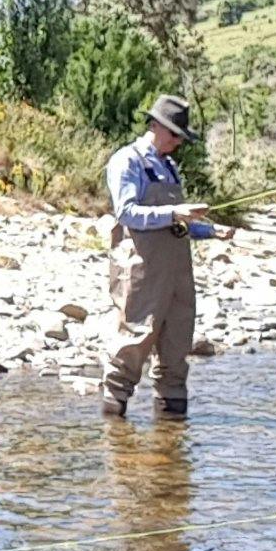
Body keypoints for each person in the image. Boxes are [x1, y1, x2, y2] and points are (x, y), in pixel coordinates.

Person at [98, 95, 235, 419]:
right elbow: (128, 213)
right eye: (174, 134)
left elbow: (177, 225)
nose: (177, 142)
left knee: (177, 346)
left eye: (181, 137)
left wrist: (210, 231)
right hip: (142, 269)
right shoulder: (127, 161)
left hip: (177, 271)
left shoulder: (168, 166)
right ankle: (114, 426)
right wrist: (175, 211)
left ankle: (172, 440)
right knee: (135, 339)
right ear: (155, 125)